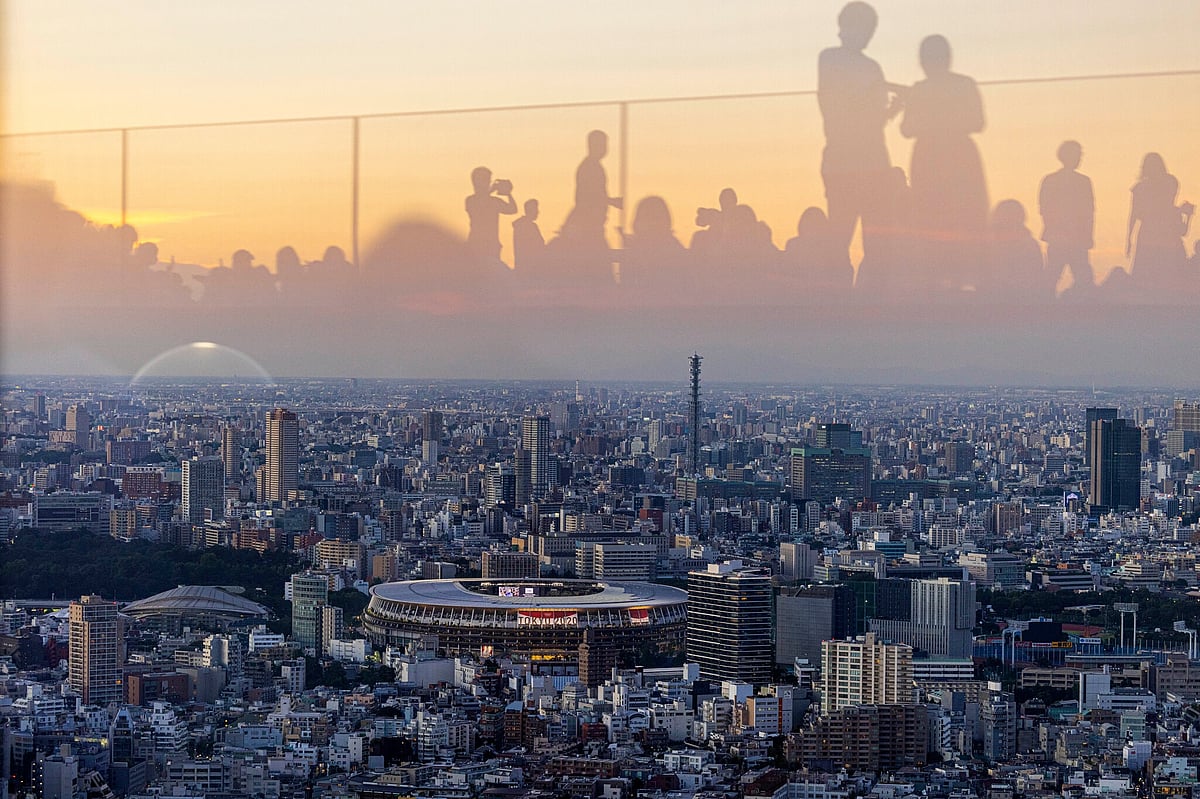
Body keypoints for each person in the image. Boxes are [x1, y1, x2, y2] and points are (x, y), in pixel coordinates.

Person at [900, 34, 988, 291]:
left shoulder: (921, 90)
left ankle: (946, 278)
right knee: (947, 219)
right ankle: (949, 278)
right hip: (948, 159)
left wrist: (932, 122)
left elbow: (907, 128)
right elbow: (977, 121)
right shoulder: (962, 85)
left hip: (937, 159)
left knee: (945, 219)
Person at [817, 2, 900, 267]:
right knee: (842, 242)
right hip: (852, 162)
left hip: (861, 162)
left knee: (872, 246)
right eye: (866, 29)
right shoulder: (832, 59)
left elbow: (871, 120)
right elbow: (841, 110)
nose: (868, 36)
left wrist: (893, 108)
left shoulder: (862, 66)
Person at [1126, 152, 1194, 287]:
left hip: (1153, 237)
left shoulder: (1142, 188)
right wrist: (1182, 212)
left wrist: (1129, 239)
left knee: (1146, 279)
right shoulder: (1169, 183)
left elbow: (1135, 215)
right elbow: (1162, 211)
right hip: (1159, 237)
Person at [1038, 141, 1095, 294]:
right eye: (1078, 155)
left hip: (1063, 238)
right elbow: (1089, 212)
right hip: (1074, 239)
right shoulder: (1083, 182)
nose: (1080, 159)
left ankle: (1045, 302)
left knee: (1052, 278)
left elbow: (1043, 210)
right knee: (1082, 280)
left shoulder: (1050, 180)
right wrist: (1087, 236)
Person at [465, 166, 517, 263]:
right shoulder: (471, 200)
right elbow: (480, 204)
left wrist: (508, 193)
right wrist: (492, 190)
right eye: (487, 180)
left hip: (492, 246)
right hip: (476, 245)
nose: (489, 183)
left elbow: (513, 209)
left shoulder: (494, 201)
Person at [512, 198, 545, 273]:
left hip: (523, 266)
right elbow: (539, 246)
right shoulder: (530, 227)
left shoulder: (520, 225)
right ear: (531, 211)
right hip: (530, 268)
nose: (538, 212)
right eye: (536, 209)